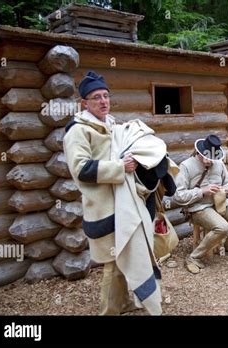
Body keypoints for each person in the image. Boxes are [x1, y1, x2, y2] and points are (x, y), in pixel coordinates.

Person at [63, 71, 162, 315]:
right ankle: (108, 311)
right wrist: (120, 167)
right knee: (111, 263)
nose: (103, 101)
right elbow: (81, 169)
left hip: (123, 205)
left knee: (123, 258)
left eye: (106, 96)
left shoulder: (112, 125)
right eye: (96, 97)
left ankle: (122, 303)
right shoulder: (78, 131)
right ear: (84, 103)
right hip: (103, 208)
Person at [173, 135, 228, 274]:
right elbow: (178, 196)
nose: (210, 162)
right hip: (198, 208)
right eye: (207, 158)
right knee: (223, 227)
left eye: (213, 159)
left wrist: (227, 189)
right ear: (199, 152)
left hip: (221, 203)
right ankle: (193, 258)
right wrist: (202, 191)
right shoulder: (186, 166)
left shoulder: (219, 163)